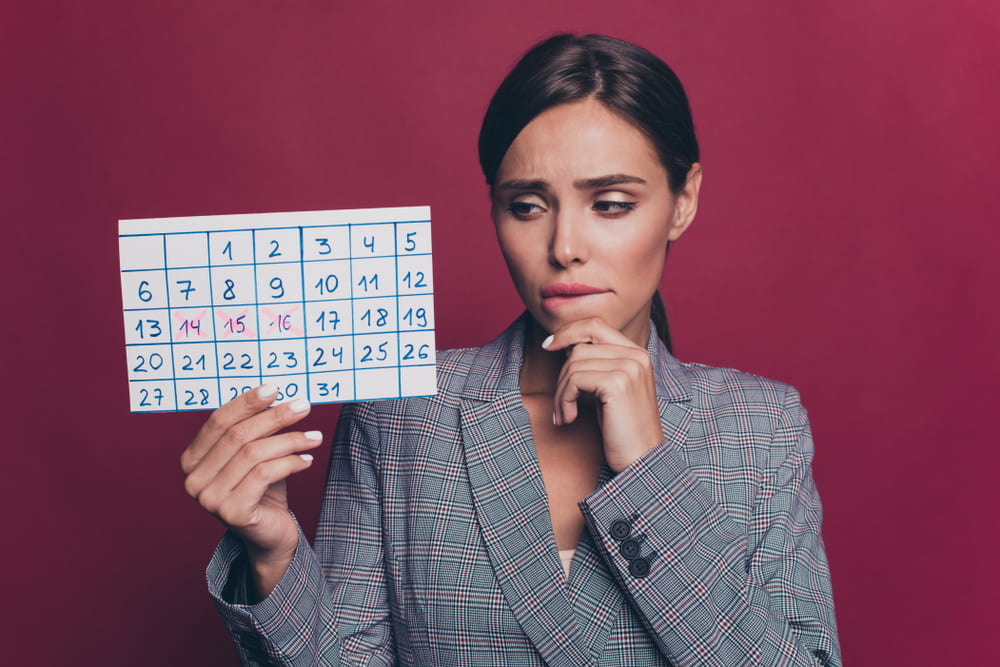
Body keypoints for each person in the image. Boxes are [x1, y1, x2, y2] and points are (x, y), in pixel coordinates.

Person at [182, 33, 841, 666]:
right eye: (527, 205)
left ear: (682, 200)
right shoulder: (400, 412)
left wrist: (648, 472)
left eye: (610, 203)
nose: (563, 246)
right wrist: (273, 557)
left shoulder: (763, 428)